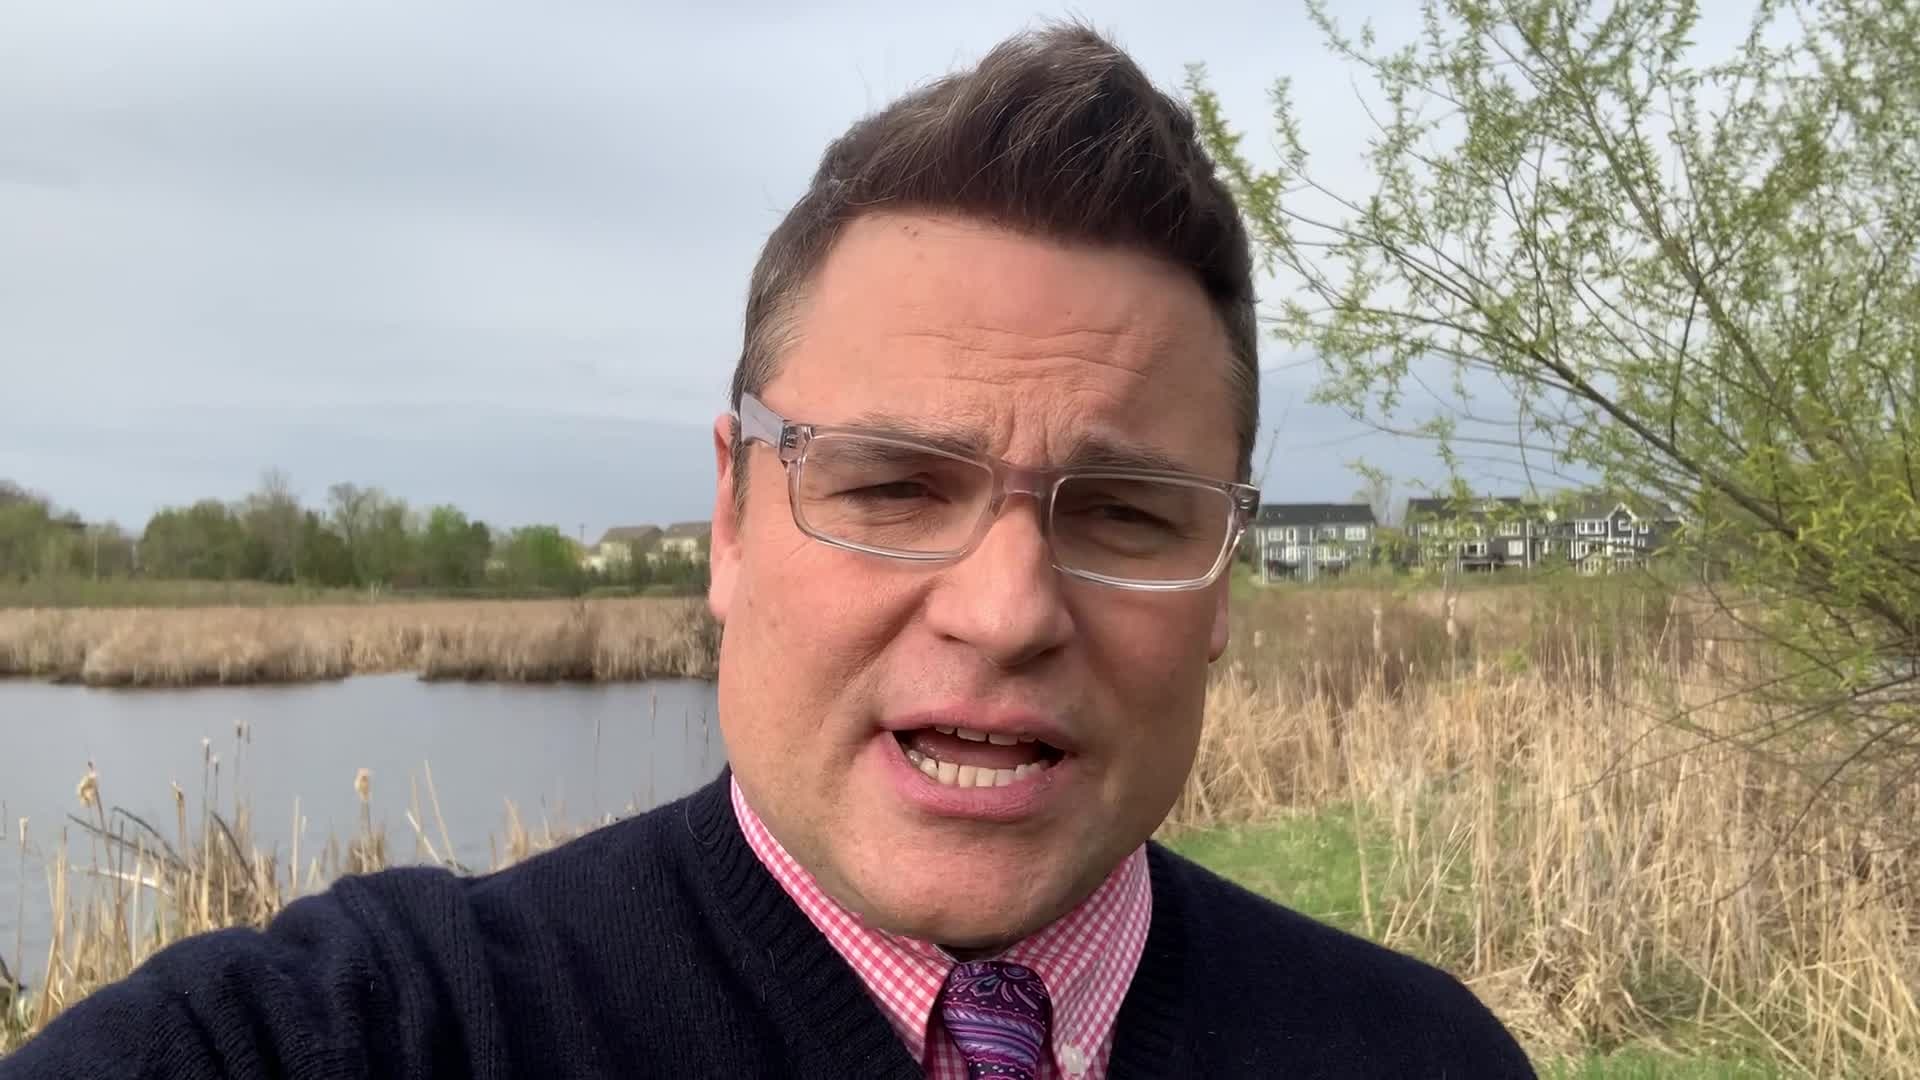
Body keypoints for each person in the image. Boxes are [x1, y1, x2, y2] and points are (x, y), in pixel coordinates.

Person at [2, 23, 1533, 1079]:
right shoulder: (387, 1032)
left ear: (1223, 579)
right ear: (731, 521)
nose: (1007, 611)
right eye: (895, 487)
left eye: (1127, 513)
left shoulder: (1424, 1055)